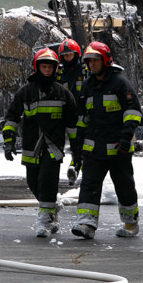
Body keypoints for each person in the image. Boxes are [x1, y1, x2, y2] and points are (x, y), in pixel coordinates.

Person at [2, 47, 78, 238]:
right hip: (31, 146)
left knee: (47, 181)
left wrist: (77, 152)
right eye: (43, 67)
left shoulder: (63, 94)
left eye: (50, 68)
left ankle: (43, 222)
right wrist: (9, 142)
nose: (47, 71)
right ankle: (53, 207)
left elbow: (73, 125)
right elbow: (11, 118)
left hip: (53, 146)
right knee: (33, 182)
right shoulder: (25, 93)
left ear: (55, 69)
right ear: (37, 68)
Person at [71, 41, 142, 239]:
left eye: (95, 60)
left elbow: (133, 112)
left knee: (124, 185)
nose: (91, 65)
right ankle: (86, 223)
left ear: (105, 61)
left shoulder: (120, 83)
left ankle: (130, 223)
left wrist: (126, 138)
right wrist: (77, 147)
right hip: (93, 148)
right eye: (88, 61)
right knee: (89, 185)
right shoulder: (87, 86)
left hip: (119, 147)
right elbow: (82, 119)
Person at [57, 38, 85, 186]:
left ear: (77, 54)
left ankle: (78, 167)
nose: (68, 57)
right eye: (65, 55)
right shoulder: (60, 72)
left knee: (85, 142)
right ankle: (75, 167)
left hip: (85, 112)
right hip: (69, 114)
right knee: (75, 143)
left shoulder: (85, 69)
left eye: (70, 54)